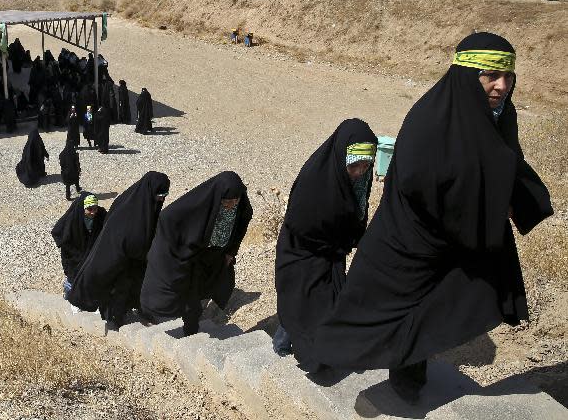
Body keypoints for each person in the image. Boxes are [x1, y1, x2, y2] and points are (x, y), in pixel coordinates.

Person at [311, 32, 553, 403]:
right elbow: (419, 184)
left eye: (509, 76)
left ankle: (408, 375)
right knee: (367, 305)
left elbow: (505, 160)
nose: (502, 85)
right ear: (468, 75)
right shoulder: (430, 119)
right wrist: (479, 206)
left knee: (433, 312)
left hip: (457, 237)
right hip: (411, 238)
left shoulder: (498, 113)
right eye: (491, 75)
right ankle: (326, 355)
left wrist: (522, 201)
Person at [273, 119, 377, 371]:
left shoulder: (360, 179)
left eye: (366, 165)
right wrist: (334, 244)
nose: (360, 171)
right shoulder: (315, 179)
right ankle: (296, 348)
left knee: (323, 306)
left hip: (332, 254)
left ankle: (319, 350)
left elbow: (357, 212)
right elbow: (300, 225)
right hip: (304, 254)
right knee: (301, 301)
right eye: (355, 165)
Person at [140, 171, 252, 336]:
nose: (231, 205)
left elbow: (240, 229)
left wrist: (231, 252)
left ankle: (192, 327)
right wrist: (179, 252)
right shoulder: (200, 204)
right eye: (227, 202)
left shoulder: (241, 208)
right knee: (189, 299)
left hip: (215, 258)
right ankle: (188, 330)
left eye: (236, 200)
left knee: (210, 289)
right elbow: (168, 217)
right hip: (193, 258)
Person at [68, 172, 171, 329]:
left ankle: (142, 310)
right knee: (119, 289)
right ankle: (116, 318)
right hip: (120, 257)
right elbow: (119, 232)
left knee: (141, 285)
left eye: (165, 195)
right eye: (160, 195)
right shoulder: (128, 206)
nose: (162, 199)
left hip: (140, 258)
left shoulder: (149, 204)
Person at [51, 194, 106, 302]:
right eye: (89, 209)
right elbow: (57, 233)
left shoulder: (100, 214)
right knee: (73, 278)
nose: (93, 212)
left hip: (89, 254)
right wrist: (76, 253)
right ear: (83, 208)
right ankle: (69, 296)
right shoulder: (72, 219)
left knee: (89, 277)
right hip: (73, 256)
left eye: (95, 209)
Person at [58, 135, 82, 201]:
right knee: (76, 180)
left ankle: (68, 196)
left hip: (65, 172)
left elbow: (61, 164)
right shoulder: (74, 154)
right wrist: (79, 170)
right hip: (74, 172)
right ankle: (78, 189)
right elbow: (77, 163)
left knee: (67, 185)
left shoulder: (62, 154)